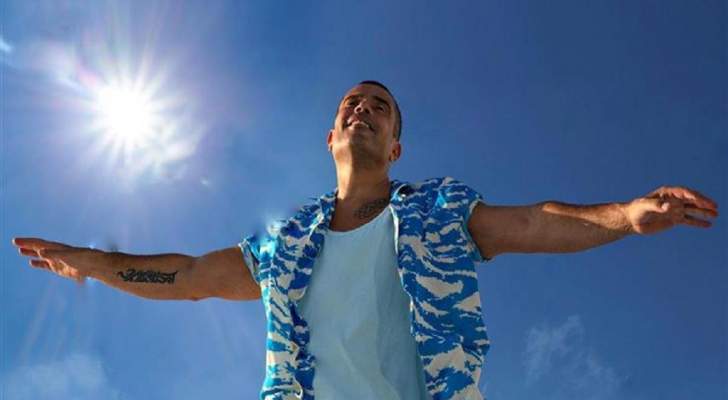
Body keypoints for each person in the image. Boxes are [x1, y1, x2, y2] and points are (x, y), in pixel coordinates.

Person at [13, 80, 719, 400]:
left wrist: (628, 214)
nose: (363, 109)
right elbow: (191, 276)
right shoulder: (285, 246)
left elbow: (535, 221)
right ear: (331, 137)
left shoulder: (439, 213)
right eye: (352, 102)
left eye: (380, 107)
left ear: (395, 146)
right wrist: (95, 263)